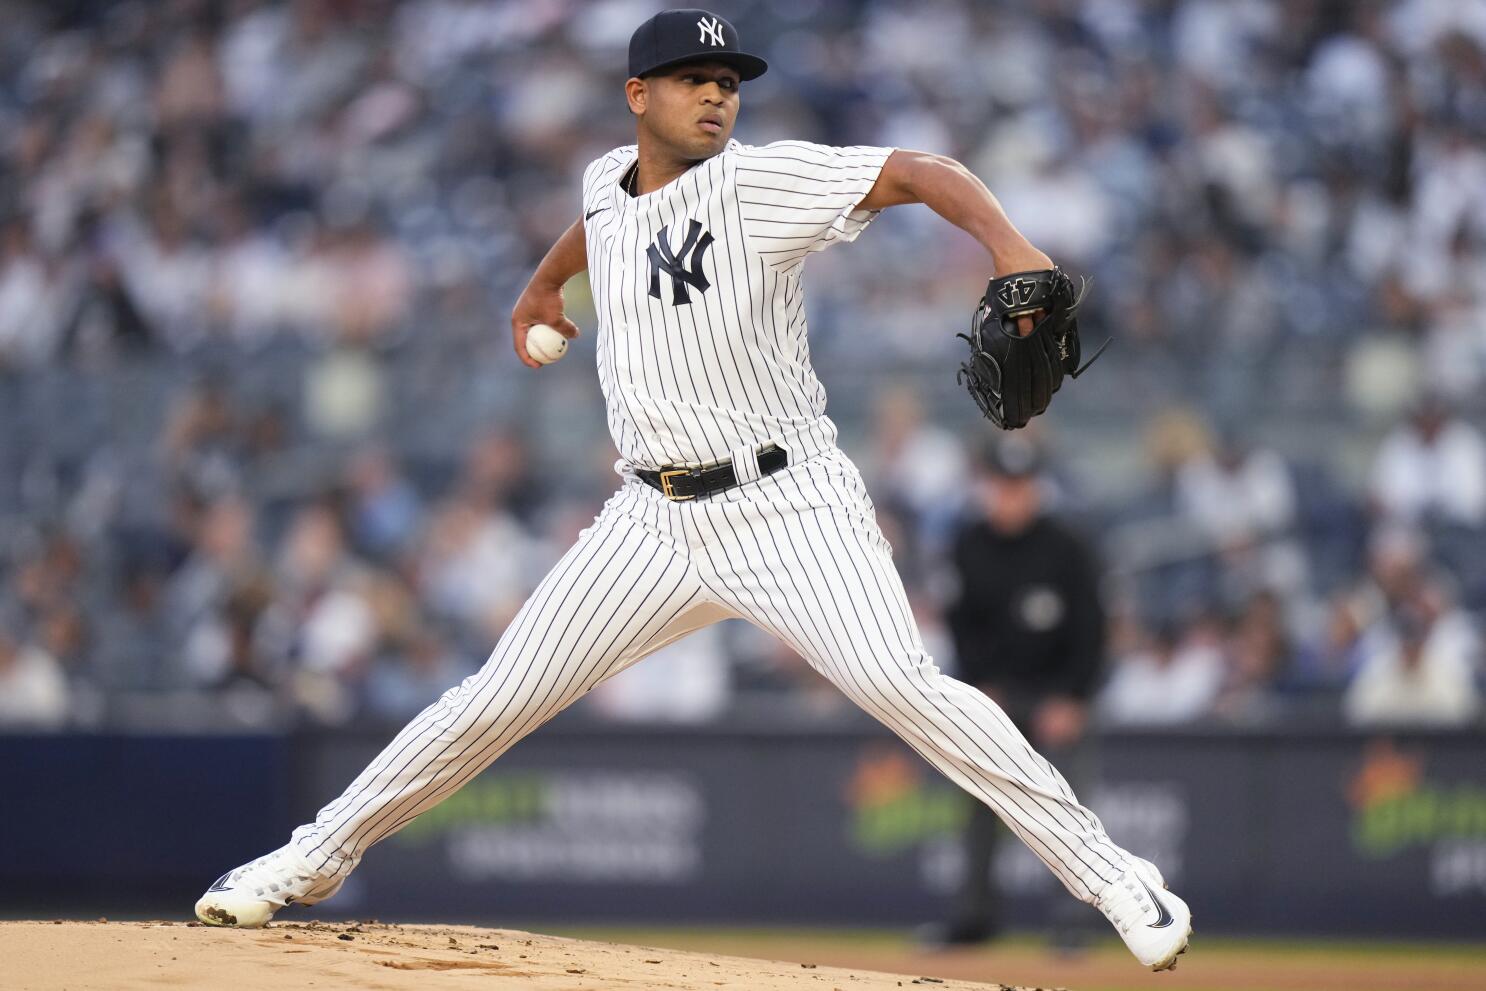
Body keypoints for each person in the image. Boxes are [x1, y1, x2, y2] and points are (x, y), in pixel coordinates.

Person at [195, 9, 1191, 972]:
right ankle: (311, 856)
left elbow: (913, 171)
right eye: (692, 81)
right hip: (651, 519)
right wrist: (540, 289)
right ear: (638, 94)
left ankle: (1114, 877)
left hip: (786, 505)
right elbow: (598, 225)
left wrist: (1009, 247)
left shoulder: (758, 184)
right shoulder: (603, 181)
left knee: (904, 686)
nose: (716, 97)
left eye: (727, 84)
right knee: (493, 697)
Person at [923, 437, 1106, 948]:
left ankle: (1073, 925)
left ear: (1036, 488)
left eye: (1020, 486)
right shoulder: (968, 543)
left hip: (1057, 697)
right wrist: (980, 690)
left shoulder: (1068, 545)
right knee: (980, 803)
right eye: (1001, 486)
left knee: (1068, 808)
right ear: (985, 487)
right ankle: (974, 918)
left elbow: (1092, 628)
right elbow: (962, 626)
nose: (1010, 497)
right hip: (992, 697)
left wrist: (1074, 696)